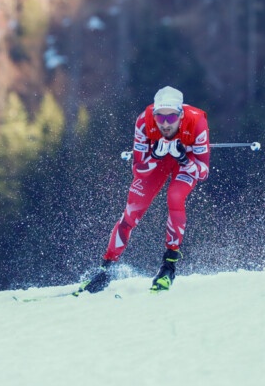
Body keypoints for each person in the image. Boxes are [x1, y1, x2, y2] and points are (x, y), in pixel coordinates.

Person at [77, 86, 210, 293]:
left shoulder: (197, 121)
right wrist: (156, 156)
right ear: (154, 114)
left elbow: (203, 173)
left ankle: (168, 267)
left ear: (181, 114)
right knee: (132, 211)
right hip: (157, 162)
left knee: (175, 197)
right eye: (160, 117)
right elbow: (138, 170)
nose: (165, 124)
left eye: (172, 117)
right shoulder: (143, 121)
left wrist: (184, 158)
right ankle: (106, 268)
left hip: (186, 160)